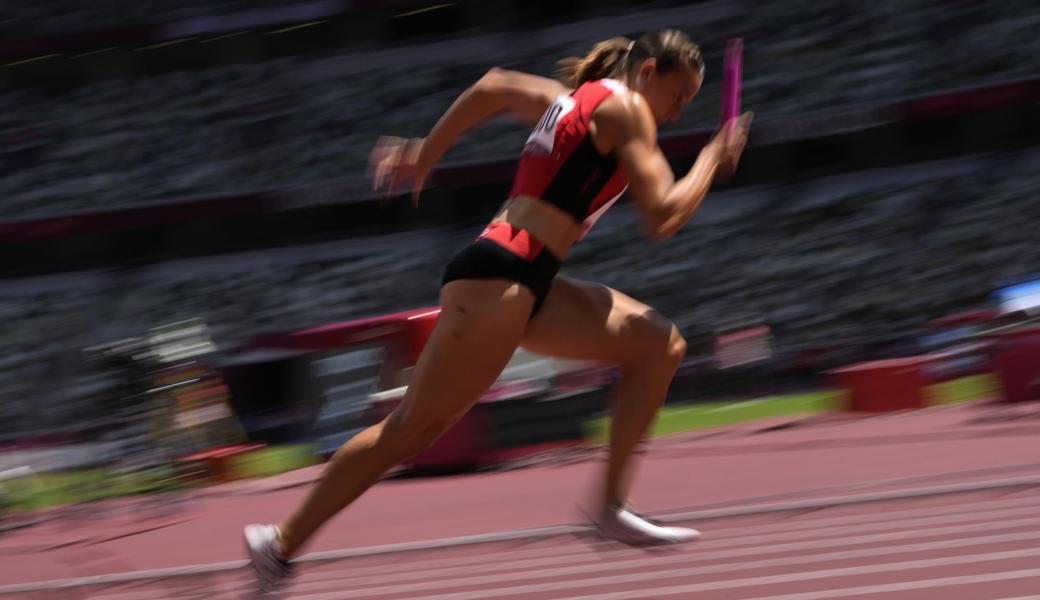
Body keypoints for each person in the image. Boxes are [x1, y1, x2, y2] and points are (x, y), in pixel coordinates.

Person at [245, 28, 752, 595]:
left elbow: (494, 86)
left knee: (659, 344)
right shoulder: (629, 106)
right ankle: (279, 543)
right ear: (648, 73)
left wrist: (425, 152)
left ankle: (611, 507)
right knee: (409, 431)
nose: (679, 113)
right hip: (501, 278)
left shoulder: (572, 100)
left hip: (525, 278)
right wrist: (711, 159)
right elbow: (661, 216)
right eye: (679, 97)